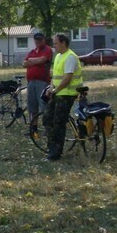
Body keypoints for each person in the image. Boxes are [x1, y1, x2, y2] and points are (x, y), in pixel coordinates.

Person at [41, 33, 83, 161]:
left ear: (63, 42)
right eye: (53, 44)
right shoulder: (59, 56)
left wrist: (55, 90)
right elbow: (55, 76)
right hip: (57, 93)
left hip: (67, 94)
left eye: (56, 43)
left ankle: (55, 153)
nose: (54, 46)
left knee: (58, 123)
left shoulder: (70, 57)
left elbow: (67, 78)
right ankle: (52, 147)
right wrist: (51, 87)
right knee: (47, 119)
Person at [24, 32, 53, 125]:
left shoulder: (47, 50)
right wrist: (37, 61)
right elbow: (24, 63)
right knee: (32, 107)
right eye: (36, 40)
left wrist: (31, 60)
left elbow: (42, 60)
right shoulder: (32, 51)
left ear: (44, 40)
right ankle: (34, 128)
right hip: (31, 82)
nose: (38, 41)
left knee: (44, 106)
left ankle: (48, 127)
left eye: (40, 39)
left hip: (43, 82)